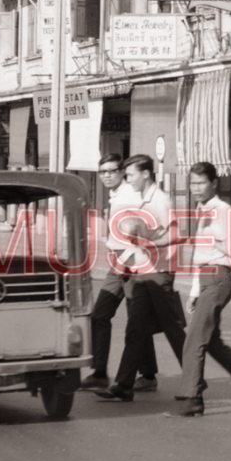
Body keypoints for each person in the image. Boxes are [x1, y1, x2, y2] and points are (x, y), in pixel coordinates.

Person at [166, 162, 231, 418]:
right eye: (192, 183)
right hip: (206, 279)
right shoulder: (201, 209)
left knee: (193, 341)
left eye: (201, 183)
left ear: (214, 183)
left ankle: (192, 399)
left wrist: (214, 237)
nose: (196, 188)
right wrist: (194, 290)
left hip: (218, 278)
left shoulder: (223, 210)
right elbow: (200, 254)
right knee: (211, 342)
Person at [96, 155, 187, 402]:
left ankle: (194, 380)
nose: (128, 180)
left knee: (172, 329)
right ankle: (124, 385)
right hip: (141, 270)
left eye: (131, 175)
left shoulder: (160, 199)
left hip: (159, 272)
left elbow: (178, 234)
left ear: (146, 174)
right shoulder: (141, 200)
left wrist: (148, 244)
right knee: (136, 328)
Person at [82, 155, 161, 393]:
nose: (106, 175)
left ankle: (147, 375)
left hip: (131, 264)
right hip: (117, 263)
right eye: (102, 172)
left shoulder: (129, 195)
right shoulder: (116, 195)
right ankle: (99, 372)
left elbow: (139, 231)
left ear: (121, 172)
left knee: (136, 322)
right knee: (100, 315)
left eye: (111, 171)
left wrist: (127, 260)